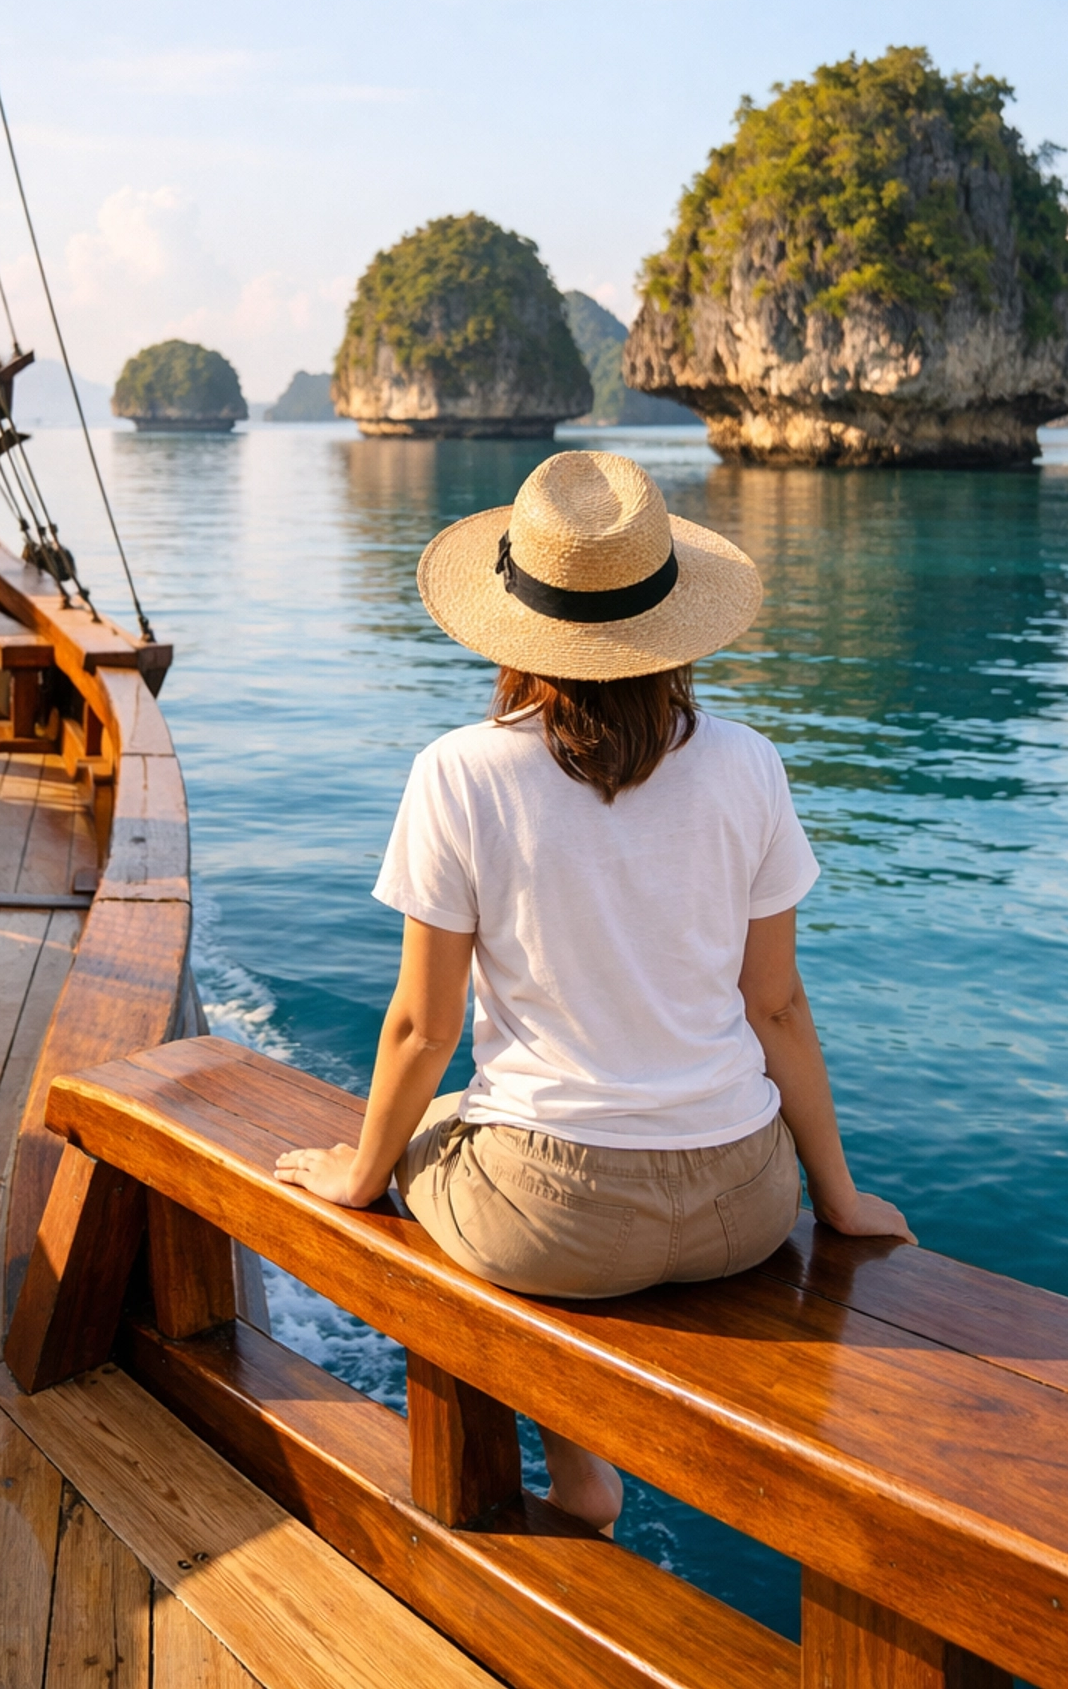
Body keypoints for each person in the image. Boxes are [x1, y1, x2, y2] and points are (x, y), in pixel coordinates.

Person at [275, 449, 912, 1533]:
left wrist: (359, 1172)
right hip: (744, 1203)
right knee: (476, 1142)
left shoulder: (460, 772)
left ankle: (573, 1476)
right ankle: (587, 1464)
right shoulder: (750, 764)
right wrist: (837, 1199)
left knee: (431, 1132)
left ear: (515, 623)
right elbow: (777, 1010)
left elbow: (424, 1029)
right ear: (672, 616)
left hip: (556, 1220)